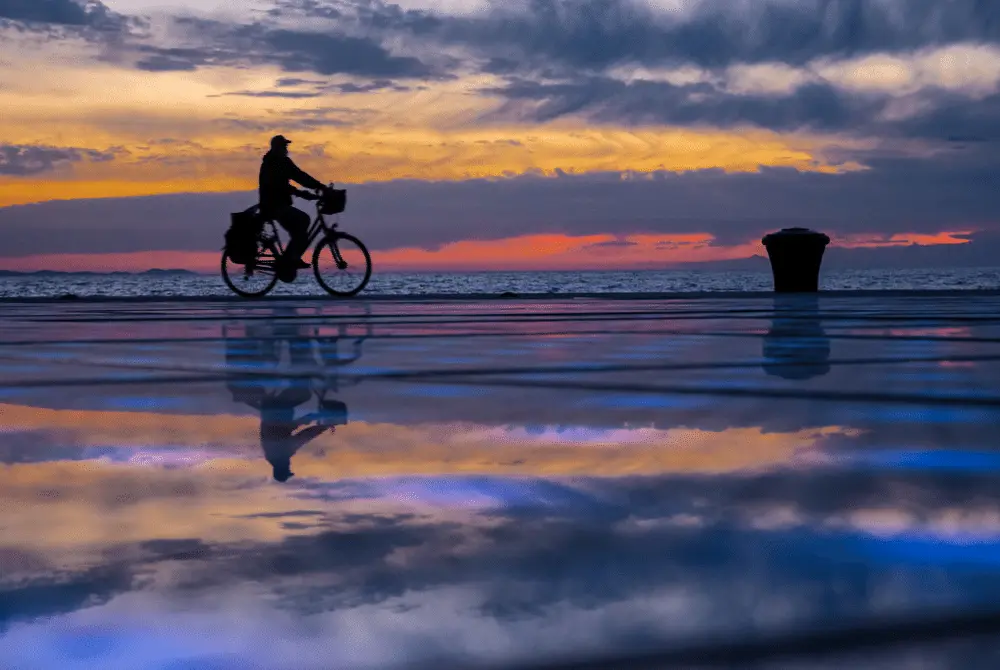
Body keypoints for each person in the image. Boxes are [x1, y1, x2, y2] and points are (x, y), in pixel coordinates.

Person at [258, 135, 329, 277]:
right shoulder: (273, 164)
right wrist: (305, 193)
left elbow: (300, 176)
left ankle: (291, 258)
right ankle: (291, 259)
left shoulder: (281, 162)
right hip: (273, 206)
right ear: (277, 148)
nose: (286, 149)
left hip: (278, 204)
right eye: (284, 147)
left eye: (286, 146)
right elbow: (280, 186)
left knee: (300, 227)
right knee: (303, 220)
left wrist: (318, 186)